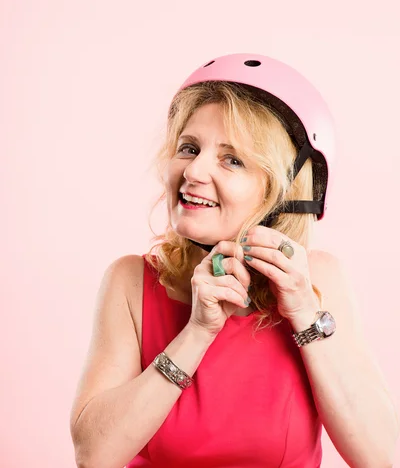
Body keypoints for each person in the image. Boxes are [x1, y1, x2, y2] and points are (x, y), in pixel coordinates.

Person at [70, 53, 398, 468]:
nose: (193, 171)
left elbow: (379, 456)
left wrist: (303, 312)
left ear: (281, 190)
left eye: (232, 159)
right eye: (189, 148)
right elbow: (93, 456)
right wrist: (198, 331)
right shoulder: (131, 281)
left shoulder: (319, 280)